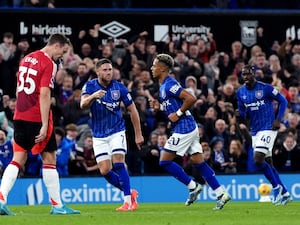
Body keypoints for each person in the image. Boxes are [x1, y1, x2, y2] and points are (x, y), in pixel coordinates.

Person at [0, 33, 80, 216]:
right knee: (49, 159)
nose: (62, 56)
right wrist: (45, 124)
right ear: (56, 46)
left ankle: (1, 199)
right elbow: (44, 94)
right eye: (63, 52)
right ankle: (57, 205)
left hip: (19, 115)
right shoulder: (48, 63)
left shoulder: (27, 58)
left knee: (17, 159)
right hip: (36, 116)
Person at [149, 53, 231, 210]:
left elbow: (190, 98)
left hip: (184, 127)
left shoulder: (170, 83)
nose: (152, 68)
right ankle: (221, 193)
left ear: (163, 68)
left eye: (154, 65)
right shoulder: (162, 87)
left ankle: (193, 186)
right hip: (187, 127)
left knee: (164, 161)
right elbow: (171, 108)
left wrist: (178, 114)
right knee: (198, 162)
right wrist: (159, 107)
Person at [80, 58, 144, 211]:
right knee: (105, 170)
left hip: (117, 131)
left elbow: (133, 110)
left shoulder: (119, 88)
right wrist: (93, 96)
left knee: (118, 163)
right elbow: (82, 104)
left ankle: (127, 202)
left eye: (110, 69)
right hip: (99, 134)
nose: (109, 72)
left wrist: (138, 134)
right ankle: (130, 193)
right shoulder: (90, 86)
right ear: (97, 72)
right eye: (105, 70)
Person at [236, 64, 292, 205]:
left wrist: (278, 119)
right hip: (255, 131)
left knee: (258, 159)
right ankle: (285, 193)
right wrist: (239, 114)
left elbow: (283, 100)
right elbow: (243, 112)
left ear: (254, 74)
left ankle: (276, 187)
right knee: (268, 163)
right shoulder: (240, 92)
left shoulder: (265, 88)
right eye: (244, 74)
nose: (246, 77)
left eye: (248, 74)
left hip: (268, 127)